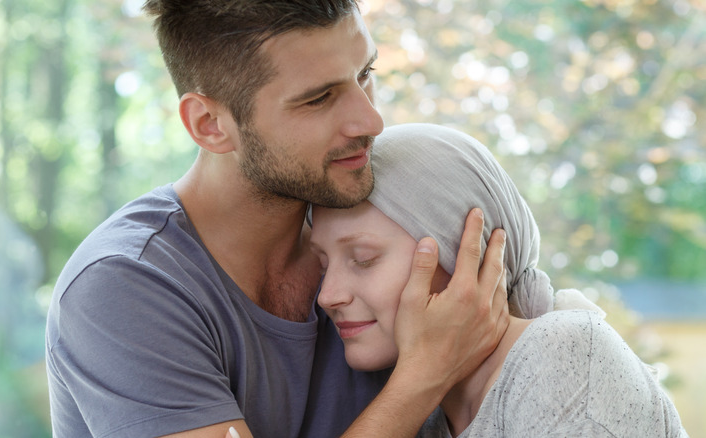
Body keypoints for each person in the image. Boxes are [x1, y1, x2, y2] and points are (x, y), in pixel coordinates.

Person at [45, 2, 511, 437]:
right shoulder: (123, 287)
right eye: (319, 99)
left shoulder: (391, 234)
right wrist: (424, 377)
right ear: (210, 124)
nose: (370, 120)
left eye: (365, 74)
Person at [310, 123, 688, 437]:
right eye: (323, 266)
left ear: (465, 252)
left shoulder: (561, 355)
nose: (328, 295)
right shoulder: (425, 418)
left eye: (363, 259)